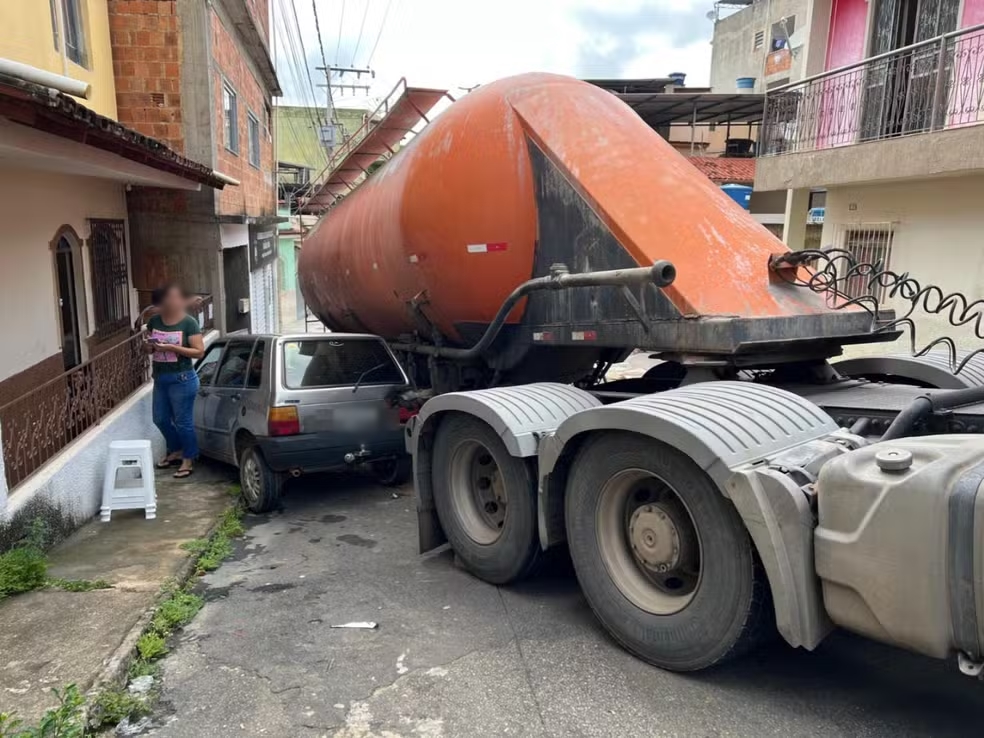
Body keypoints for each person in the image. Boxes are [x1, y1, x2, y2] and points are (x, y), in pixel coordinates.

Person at [145, 283, 205, 478]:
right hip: (161, 377)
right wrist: (149, 347)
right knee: (160, 418)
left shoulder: (189, 323)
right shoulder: (155, 322)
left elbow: (199, 351)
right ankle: (176, 449)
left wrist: (172, 348)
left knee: (183, 421)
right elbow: (149, 347)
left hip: (183, 378)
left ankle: (188, 458)